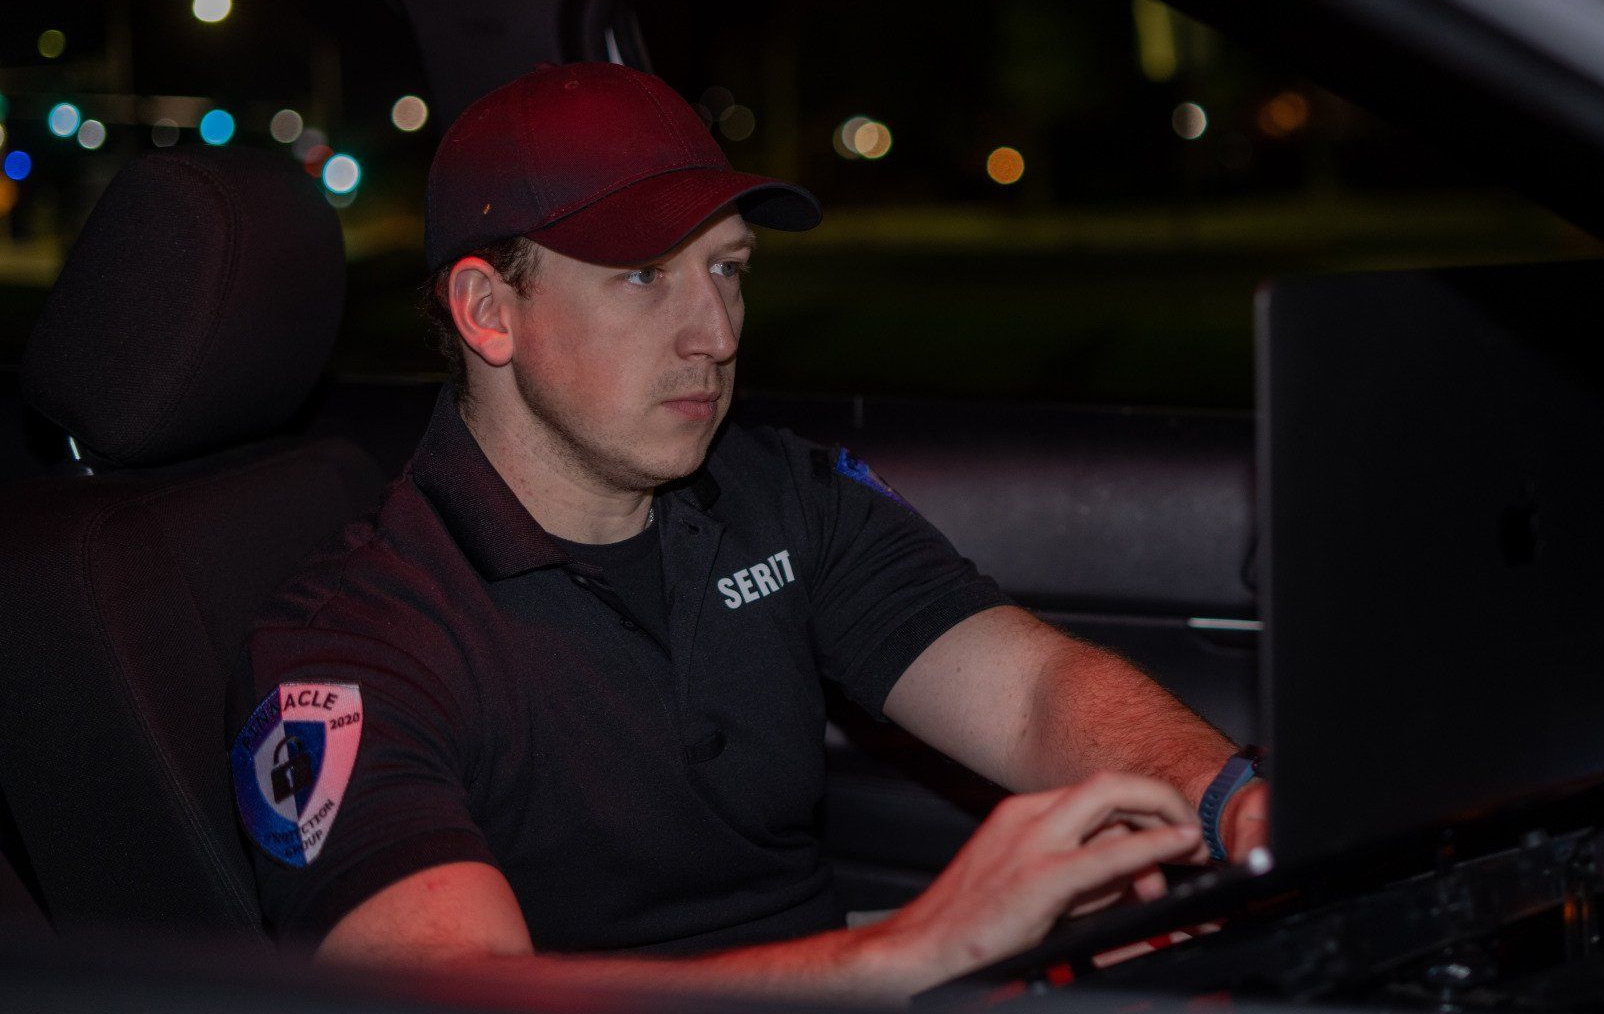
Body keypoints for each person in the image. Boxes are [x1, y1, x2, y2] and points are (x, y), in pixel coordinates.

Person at [228, 62, 1268, 1003]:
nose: (715, 334)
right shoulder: (357, 645)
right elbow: (451, 992)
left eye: (728, 269)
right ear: (489, 310)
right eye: (644, 276)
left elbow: (1038, 691)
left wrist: (1232, 801)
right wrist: (912, 951)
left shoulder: (776, 494)